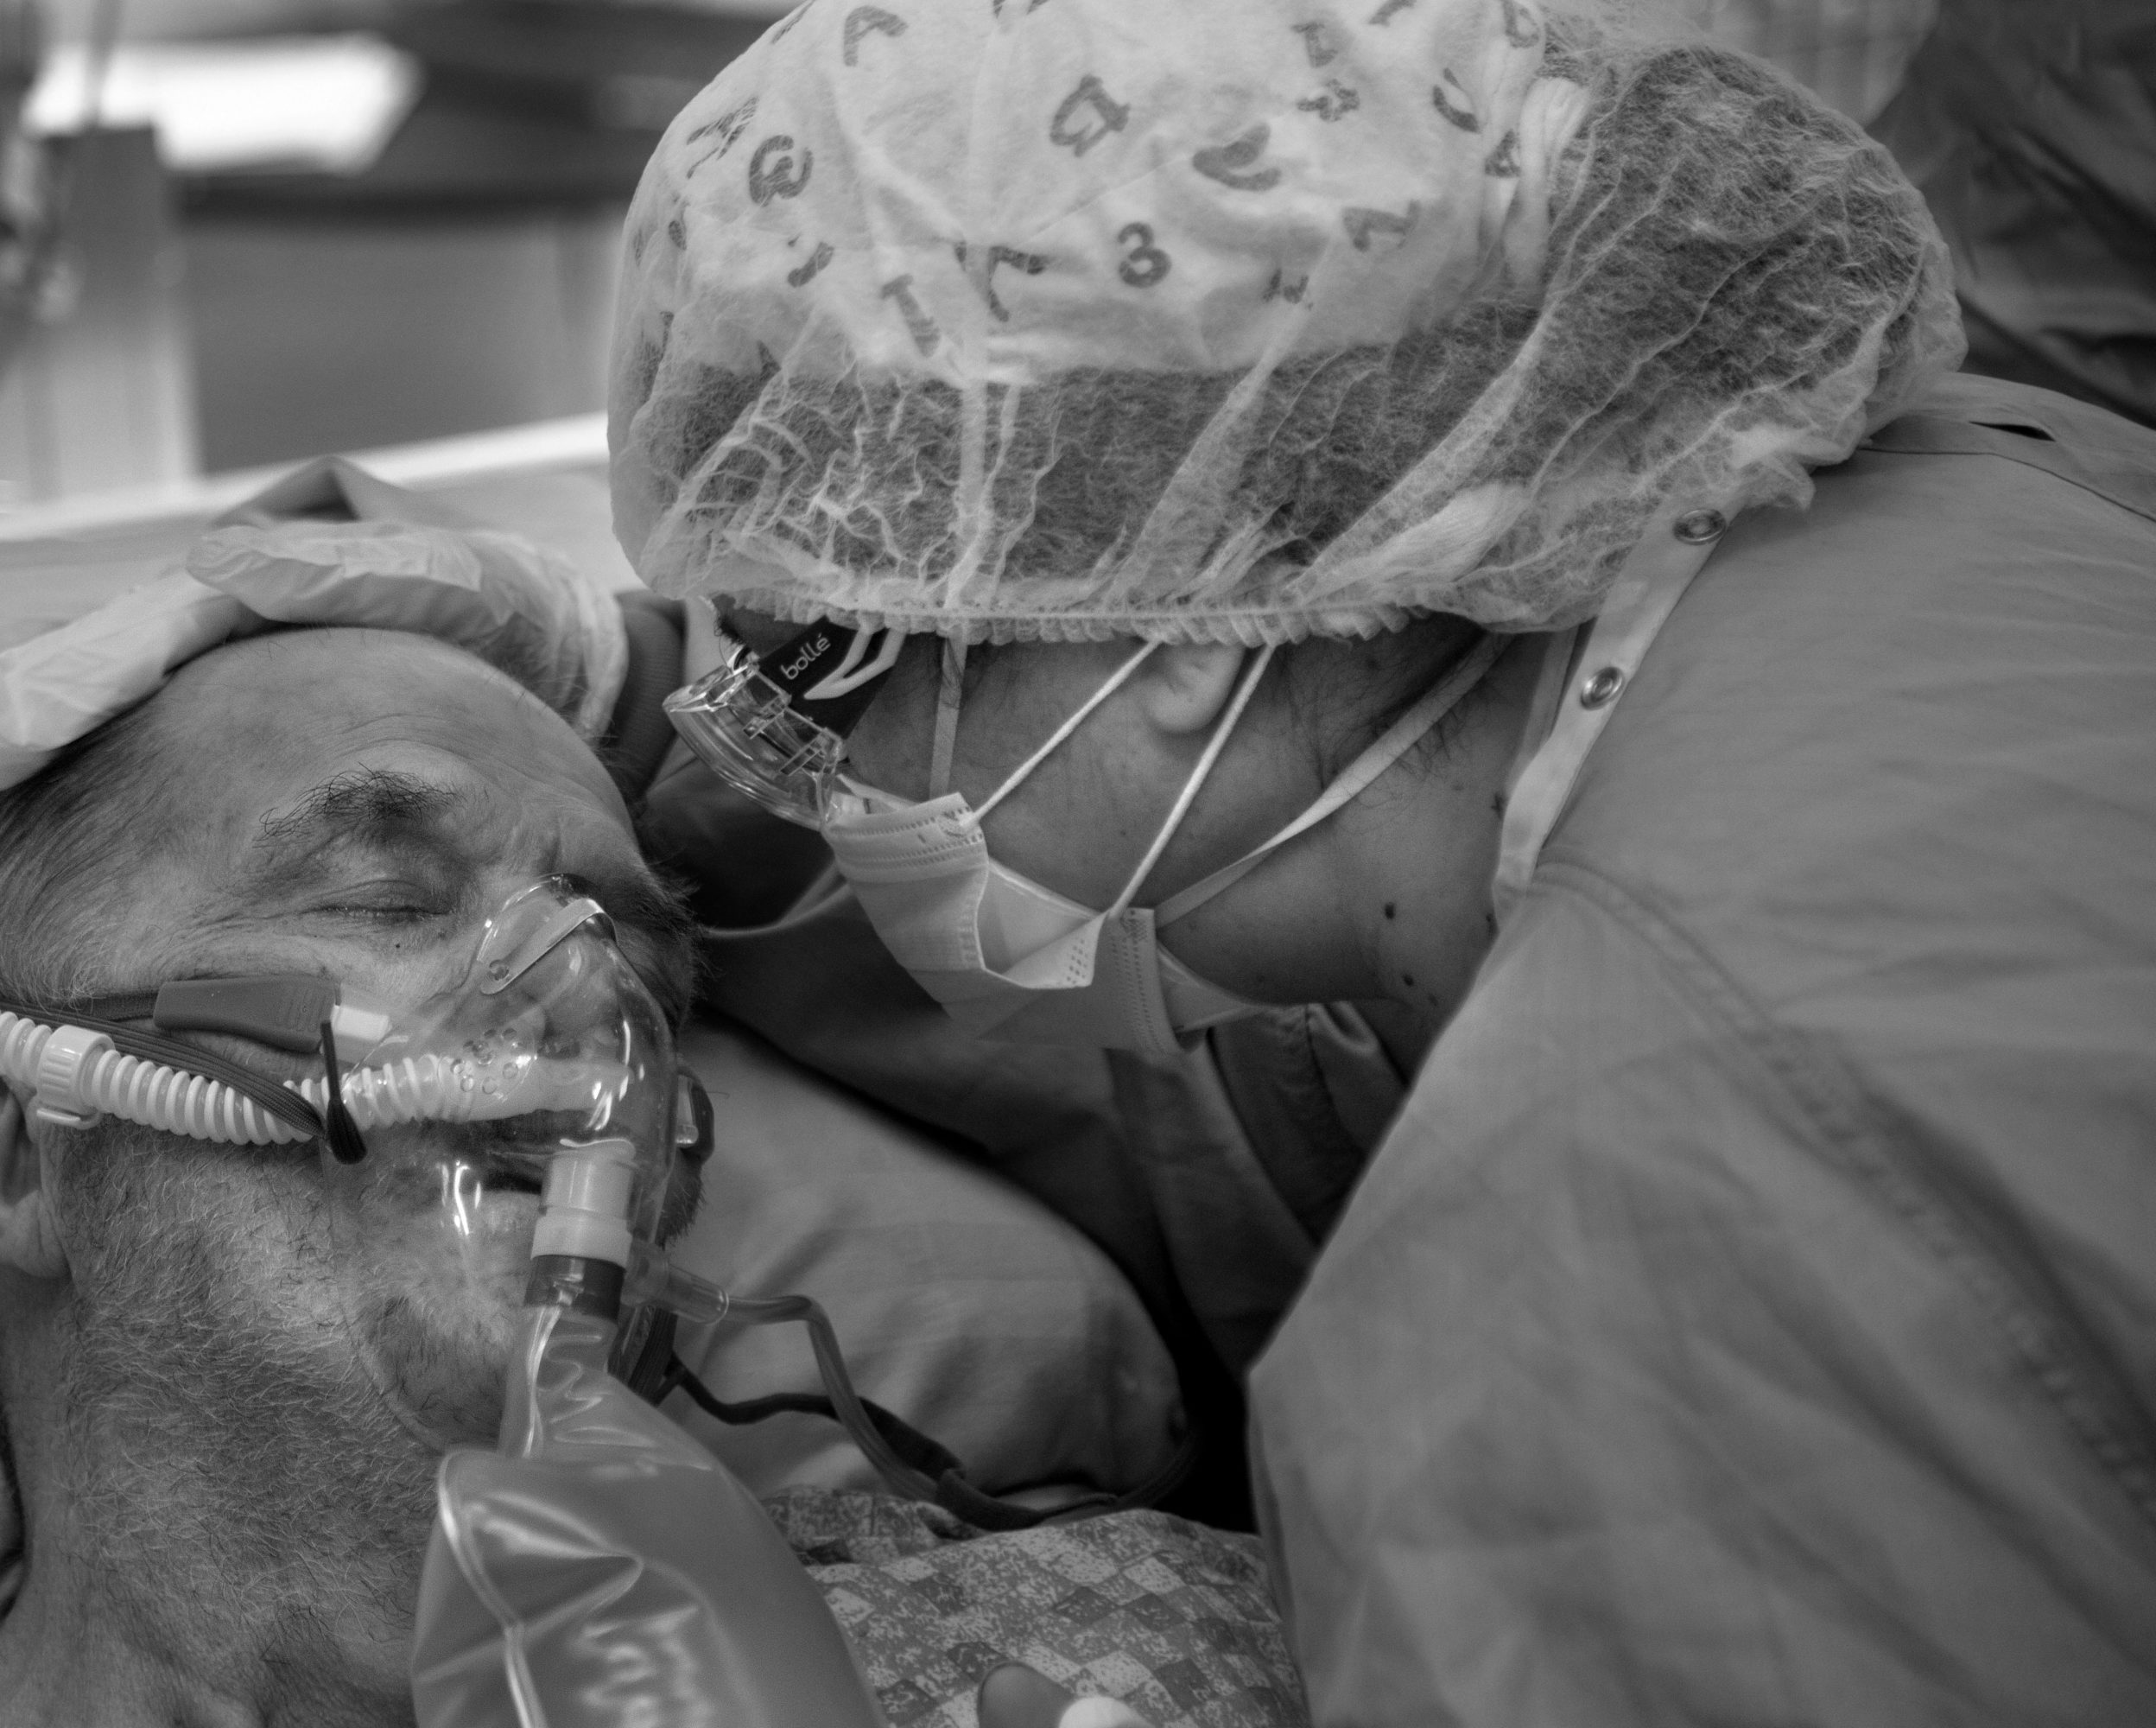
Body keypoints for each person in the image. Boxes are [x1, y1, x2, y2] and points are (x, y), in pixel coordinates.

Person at [610, 0, 2156, 1722]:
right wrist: (602, 696)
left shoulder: (1565, 1305)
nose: (797, 760)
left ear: (1187, 613)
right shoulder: (1982, 502)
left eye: (809, 652)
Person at [0, 515, 1236, 1725]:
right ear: (14, 1151)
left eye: (640, 969)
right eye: (385, 900)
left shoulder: (1116, 1636)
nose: (589, 1015)